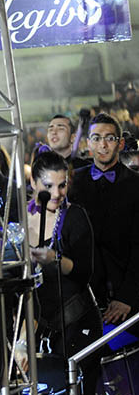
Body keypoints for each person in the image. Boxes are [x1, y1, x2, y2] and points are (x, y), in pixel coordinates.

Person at [25, 151, 108, 395]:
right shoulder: (22, 219)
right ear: (34, 185)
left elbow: (88, 271)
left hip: (80, 320)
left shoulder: (75, 216)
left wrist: (53, 258)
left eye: (62, 185)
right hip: (42, 325)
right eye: (48, 186)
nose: (56, 193)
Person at [70, 112, 139, 328]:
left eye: (109, 138)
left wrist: (127, 297)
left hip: (127, 296)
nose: (103, 145)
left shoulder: (136, 185)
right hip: (82, 296)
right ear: (88, 143)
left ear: (119, 143)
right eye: (97, 138)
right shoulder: (72, 183)